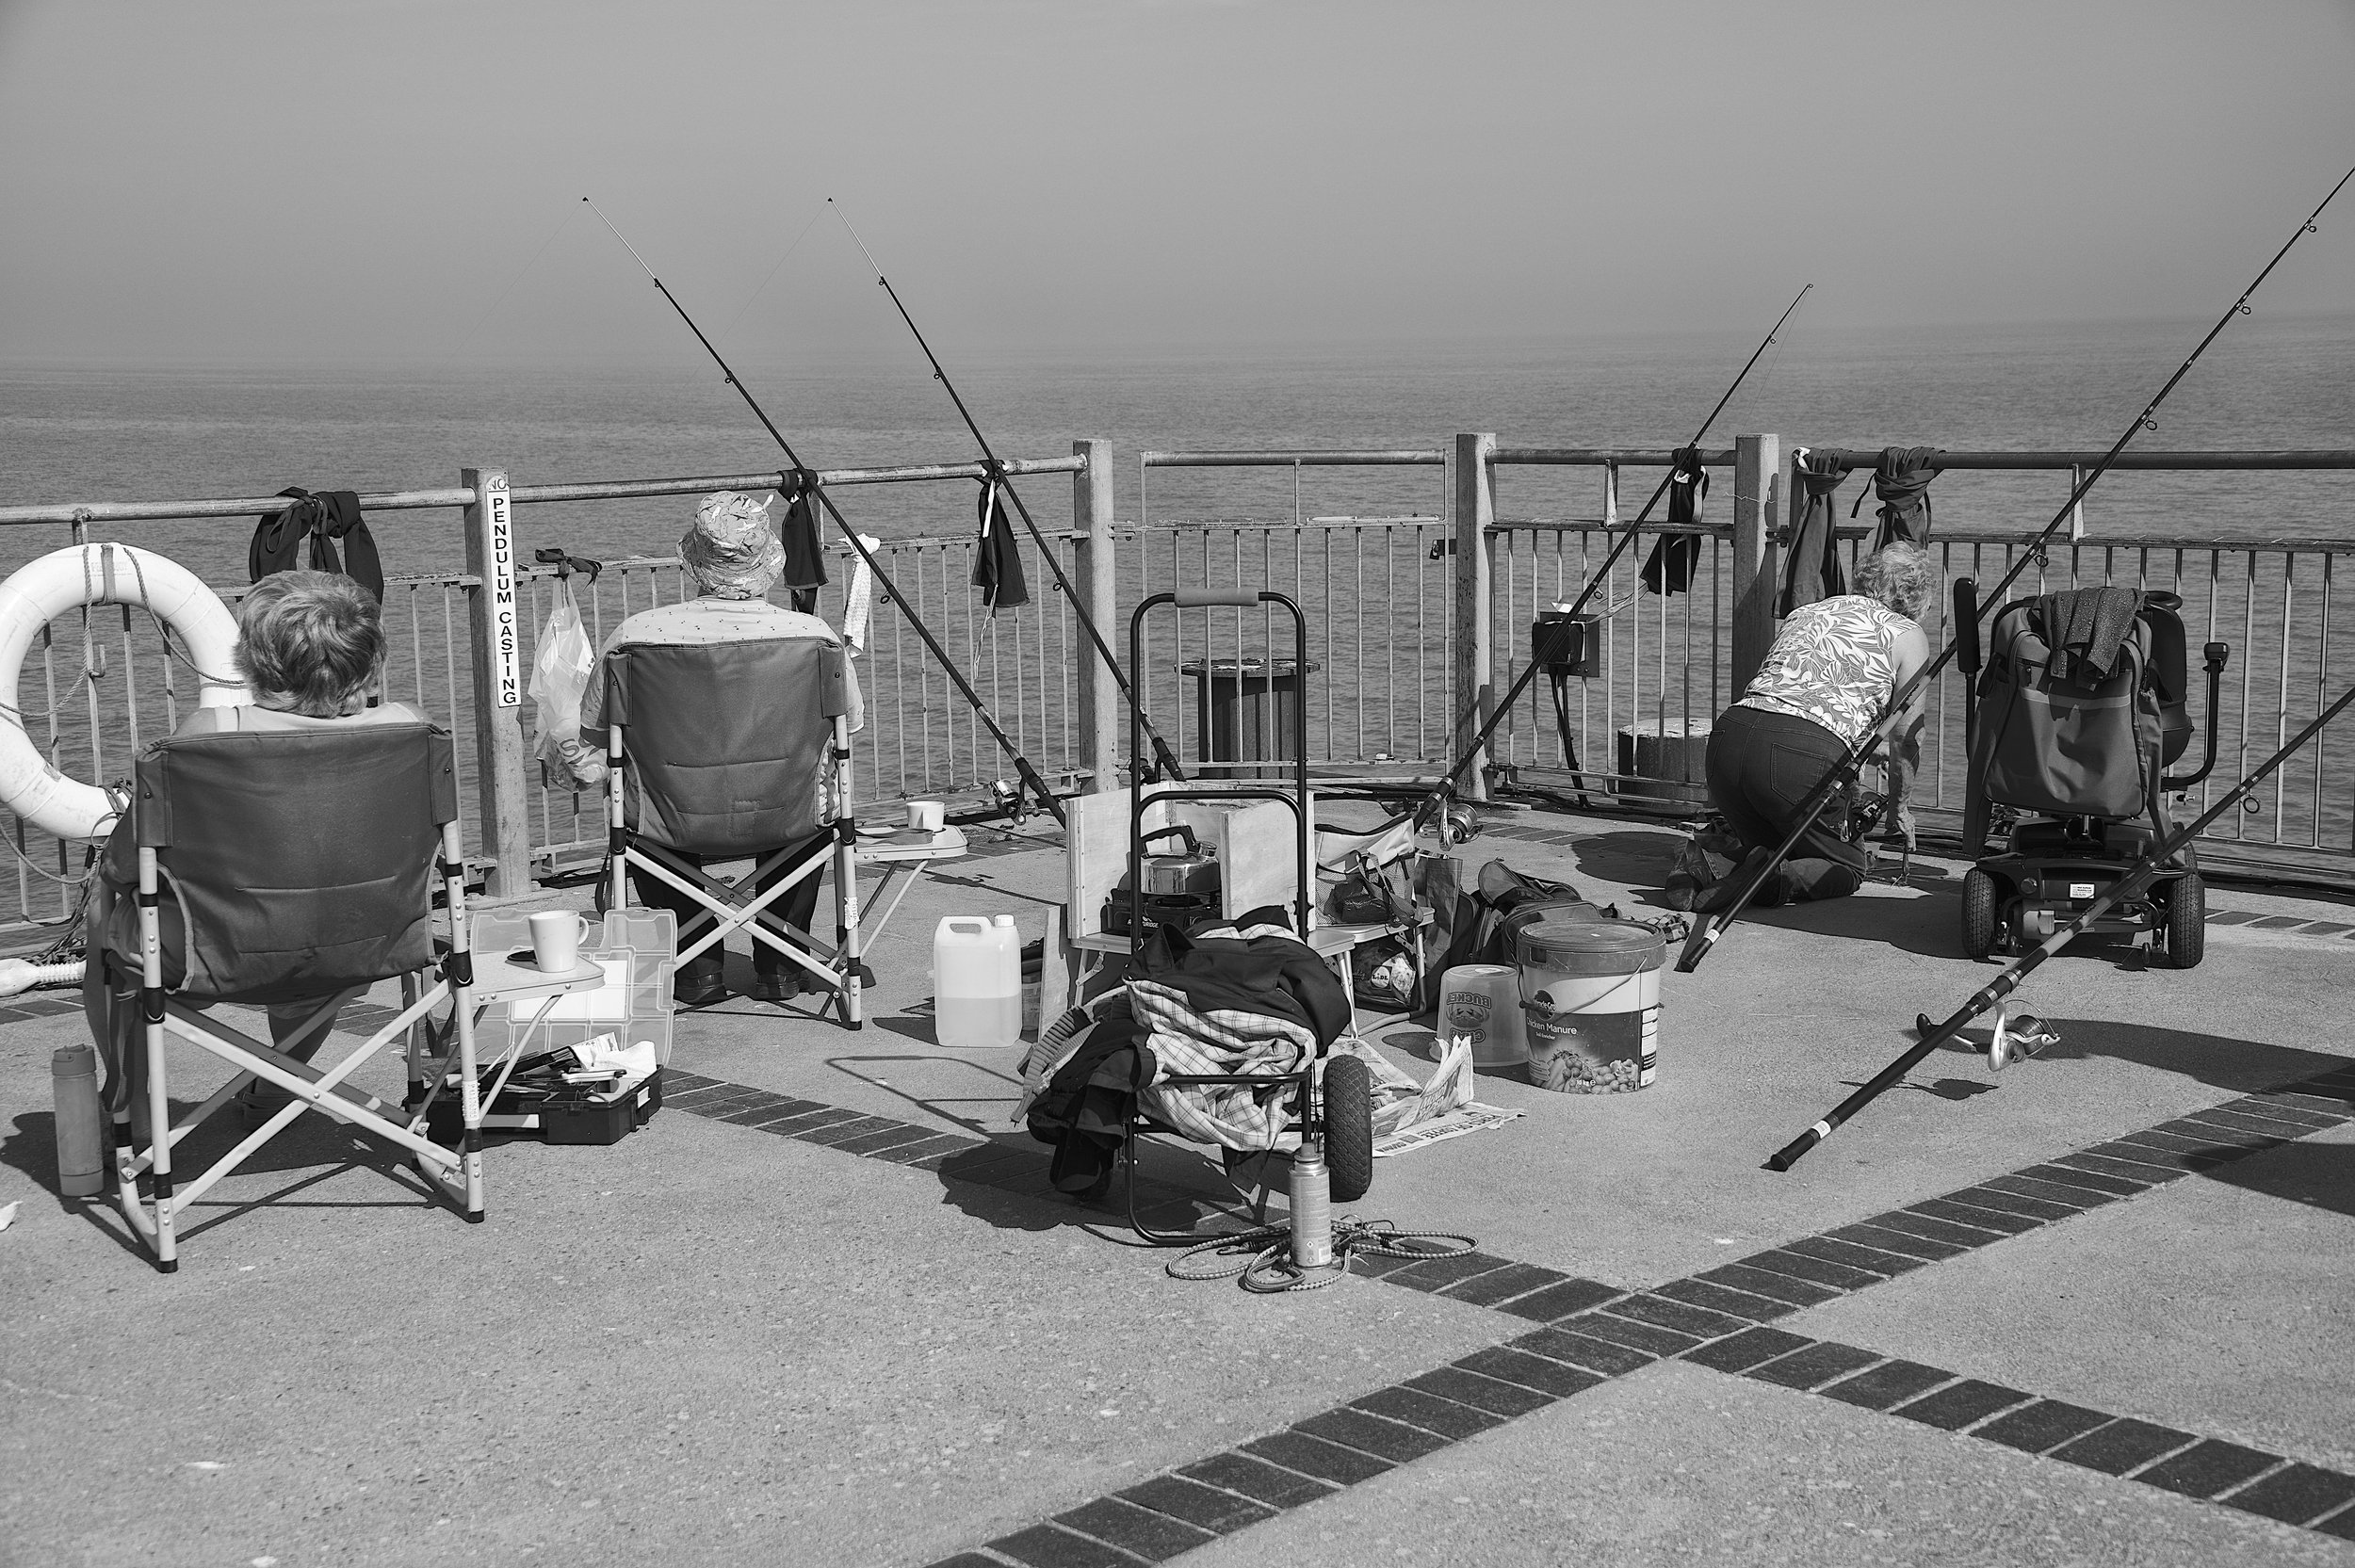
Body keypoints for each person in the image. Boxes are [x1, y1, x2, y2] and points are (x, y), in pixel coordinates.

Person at [84, 571, 428, 1119]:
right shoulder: (411, 730)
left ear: (254, 659)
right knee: (314, 916)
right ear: (370, 658)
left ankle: (131, 1104)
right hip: (368, 948)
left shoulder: (207, 738)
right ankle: (278, 1084)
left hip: (215, 958)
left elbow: (125, 866)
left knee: (108, 911)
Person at [558, 491, 863, 1007]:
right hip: (786, 816)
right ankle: (784, 966)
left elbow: (595, 734)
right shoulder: (815, 637)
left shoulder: (636, 636)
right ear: (767, 563)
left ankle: (696, 970)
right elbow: (846, 728)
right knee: (811, 805)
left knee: (644, 808)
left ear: (695, 562)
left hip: (670, 820)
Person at [1686, 542, 1934, 908]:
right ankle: (1767, 881)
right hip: (1797, 760)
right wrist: (1899, 808)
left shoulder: (1807, 611)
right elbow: (1907, 737)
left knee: (1771, 844)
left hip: (1729, 740)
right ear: (1916, 598)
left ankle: (1705, 864)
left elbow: (1795, 698)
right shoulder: (1907, 634)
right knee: (1847, 866)